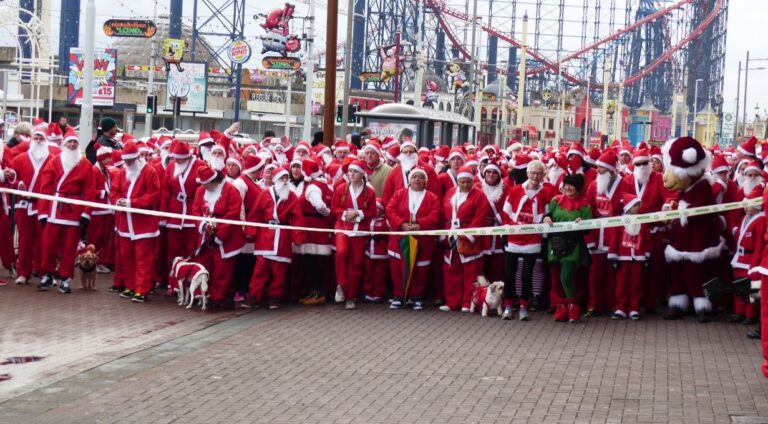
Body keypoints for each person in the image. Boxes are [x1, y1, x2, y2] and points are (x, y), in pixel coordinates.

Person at [35, 129, 95, 293]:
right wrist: (42, 212)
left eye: (75, 142)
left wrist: (86, 213)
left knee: (70, 248)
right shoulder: (54, 162)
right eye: (69, 141)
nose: (72, 144)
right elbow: (44, 188)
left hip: (73, 209)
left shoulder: (85, 165)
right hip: (54, 208)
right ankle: (47, 275)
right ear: (64, 144)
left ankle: (65, 278)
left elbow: (90, 191)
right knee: (48, 245)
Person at [502, 159, 554, 320]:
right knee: (510, 274)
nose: (536, 176)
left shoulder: (544, 194)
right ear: (527, 173)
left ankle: (524, 305)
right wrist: (505, 233)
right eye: (533, 173)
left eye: (539, 173)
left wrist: (547, 220)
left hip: (532, 240)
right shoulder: (515, 190)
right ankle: (509, 305)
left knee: (527, 275)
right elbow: (506, 213)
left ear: (543, 175)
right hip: (513, 238)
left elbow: (547, 214)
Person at [246, 166, 304, 309]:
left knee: (279, 270)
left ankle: (275, 297)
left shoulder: (292, 197)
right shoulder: (264, 194)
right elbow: (255, 213)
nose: (284, 181)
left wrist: (298, 237)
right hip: (265, 234)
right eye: (281, 178)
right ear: (275, 180)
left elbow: (298, 218)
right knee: (260, 269)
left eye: (286, 178)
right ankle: (254, 296)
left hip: (282, 235)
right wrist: (251, 231)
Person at [110, 141, 161, 303]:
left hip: (143, 223)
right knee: (126, 255)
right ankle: (130, 285)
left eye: (131, 160)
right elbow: (114, 192)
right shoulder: (120, 174)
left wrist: (133, 203)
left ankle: (142, 288)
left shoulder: (150, 172)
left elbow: (153, 194)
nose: (129, 163)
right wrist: (118, 202)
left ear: (138, 158)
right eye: (127, 161)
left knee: (143, 257)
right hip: (125, 222)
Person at [191, 166, 245, 310]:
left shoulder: (230, 190)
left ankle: (218, 297)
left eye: (206, 184)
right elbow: (195, 210)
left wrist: (220, 234)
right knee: (203, 264)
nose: (203, 187)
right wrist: (202, 225)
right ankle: (203, 294)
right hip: (206, 234)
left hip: (227, 236)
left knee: (222, 270)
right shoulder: (201, 191)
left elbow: (233, 213)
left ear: (214, 181)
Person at [386, 167, 441, 310]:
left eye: (420, 177)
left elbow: (435, 215)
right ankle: (398, 296)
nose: (417, 179)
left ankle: (417, 297)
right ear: (409, 180)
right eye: (414, 177)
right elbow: (390, 210)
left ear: (425, 182)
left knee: (420, 269)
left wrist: (420, 225)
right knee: (398, 268)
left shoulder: (431, 197)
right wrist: (401, 224)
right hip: (399, 238)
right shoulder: (399, 194)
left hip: (422, 239)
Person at [6, 126, 54, 284]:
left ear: (46, 140)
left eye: (41, 138)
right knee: (24, 241)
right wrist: (18, 182)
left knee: (44, 240)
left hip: (42, 206)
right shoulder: (20, 159)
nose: (39, 141)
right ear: (32, 140)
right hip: (23, 204)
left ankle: (44, 272)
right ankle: (23, 272)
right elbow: (11, 176)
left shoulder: (52, 159)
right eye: (36, 138)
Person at [584, 149, 628, 316]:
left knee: (613, 275)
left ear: (610, 169)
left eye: (601, 168)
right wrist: (589, 236)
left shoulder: (624, 185)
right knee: (595, 274)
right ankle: (594, 305)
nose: (598, 171)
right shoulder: (594, 185)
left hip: (614, 235)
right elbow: (588, 209)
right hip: (597, 235)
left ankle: (613, 305)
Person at [439, 166, 489, 312]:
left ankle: (468, 302)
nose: (465, 185)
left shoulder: (479, 196)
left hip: (468, 239)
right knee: (451, 270)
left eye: (468, 182)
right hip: (451, 236)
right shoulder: (450, 193)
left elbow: (480, 217)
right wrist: (445, 233)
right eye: (462, 182)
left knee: (470, 273)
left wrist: (467, 235)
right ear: (458, 181)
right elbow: (444, 213)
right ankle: (452, 301)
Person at [543, 174, 592, 323]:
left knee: (566, 277)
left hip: (572, 245)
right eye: (566, 185)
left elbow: (589, 228)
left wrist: (582, 223)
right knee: (556, 279)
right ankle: (561, 307)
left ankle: (573, 306)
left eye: (571, 185)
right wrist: (546, 218)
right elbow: (548, 215)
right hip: (555, 243)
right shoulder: (555, 201)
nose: (567, 188)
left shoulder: (585, 206)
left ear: (578, 188)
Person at [331, 160, 377, 310]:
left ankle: (351, 296)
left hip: (360, 230)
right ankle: (341, 285)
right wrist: (345, 214)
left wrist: (358, 213)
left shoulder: (369, 192)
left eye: (355, 171)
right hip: (343, 227)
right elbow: (334, 208)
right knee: (341, 253)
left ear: (362, 174)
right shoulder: (341, 189)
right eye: (350, 171)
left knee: (356, 264)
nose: (351, 174)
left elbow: (372, 212)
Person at [608, 193, 651, 320]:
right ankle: (620, 307)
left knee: (636, 285)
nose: (638, 207)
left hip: (637, 258)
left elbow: (647, 239)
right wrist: (613, 255)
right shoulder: (621, 221)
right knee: (621, 285)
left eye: (638, 205)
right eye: (635, 205)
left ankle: (634, 308)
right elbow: (614, 238)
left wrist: (647, 255)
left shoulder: (642, 221)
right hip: (623, 257)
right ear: (628, 207)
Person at [729, 186, 765, 324]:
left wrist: (754, 264)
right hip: (739, 258)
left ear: (756, 206)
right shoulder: (745, 218)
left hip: (750, 260)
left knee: (750, 288)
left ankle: (751, 314)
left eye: (749, 205)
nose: (746, 208)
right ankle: (739, 311)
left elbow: (759, 245)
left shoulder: (760, 221)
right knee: (738, 287)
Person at [88, 145, 115, 273]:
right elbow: (90, 190)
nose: (110, 159)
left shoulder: (105, 170)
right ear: (102, 159)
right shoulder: (94, 171)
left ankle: (101, 261)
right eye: (108, 157)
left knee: (105, 237)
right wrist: (105, 193)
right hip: (97, 209)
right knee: (95, 236)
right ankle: (92, 261)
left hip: (106, 208)